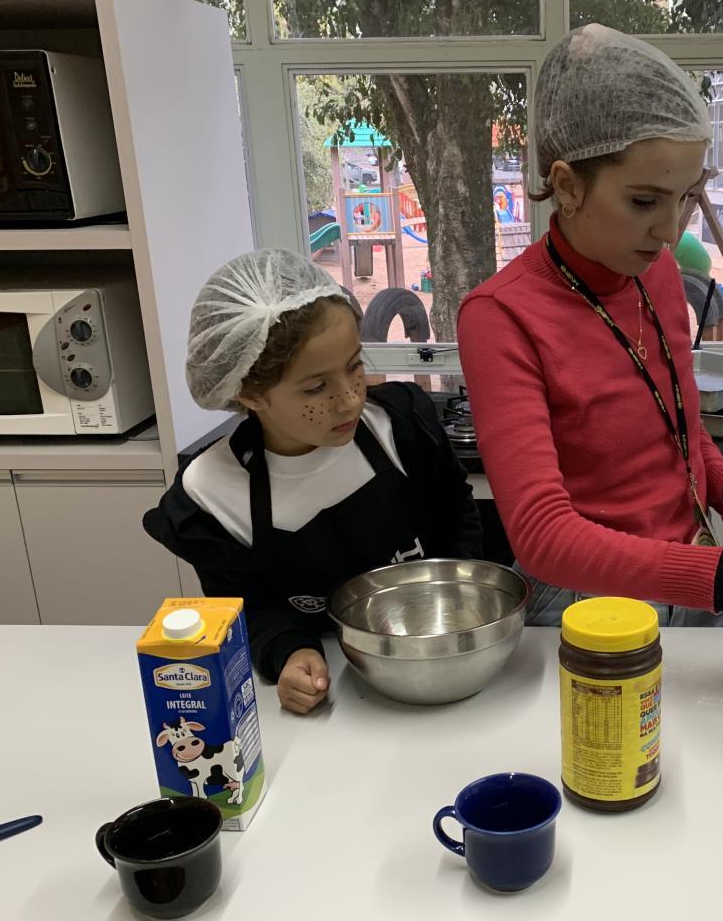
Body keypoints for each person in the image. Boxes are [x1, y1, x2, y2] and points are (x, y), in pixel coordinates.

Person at [457, 24, 723, 640]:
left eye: (685, 197)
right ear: (568, 185)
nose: (669, 229)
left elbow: (676, 426)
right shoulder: (501, 315)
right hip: (588, 599)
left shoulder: (653, 272)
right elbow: (543, 537)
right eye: (644, 200)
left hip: (692, 569)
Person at [145, 249, 481, 713]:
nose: (347, 402)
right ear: (249, 392)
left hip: (441, 660)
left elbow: (457, 521)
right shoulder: (214, 496)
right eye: (314, 388)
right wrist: (290, 652)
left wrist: (461, 612)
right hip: (338, 692)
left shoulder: (400, 428)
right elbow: (252, 609)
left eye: (355, 366)